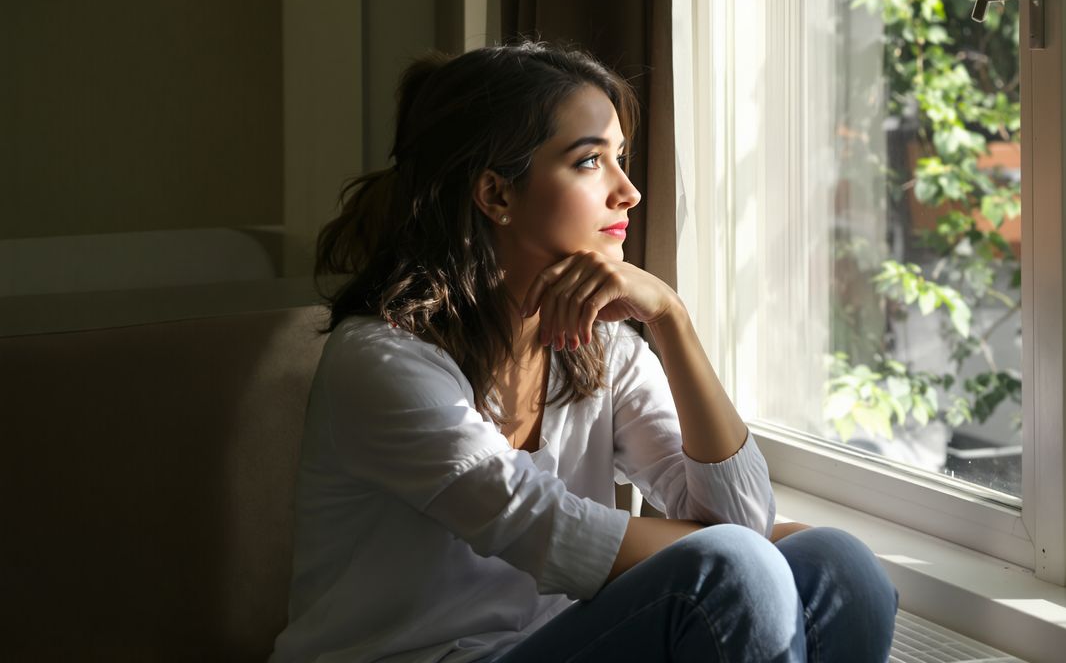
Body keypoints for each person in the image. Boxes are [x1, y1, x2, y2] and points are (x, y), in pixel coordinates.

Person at [270, 41, 898, 663]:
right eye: (590, 161)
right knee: (734, 567)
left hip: (551, 647)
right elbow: (555, 537)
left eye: (620, 159)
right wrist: (741, 548)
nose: (628, 192)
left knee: (841, 566)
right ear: (497, 194)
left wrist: (671, 320)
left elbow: (745, 513)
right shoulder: (381, 364)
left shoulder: (601, 347)